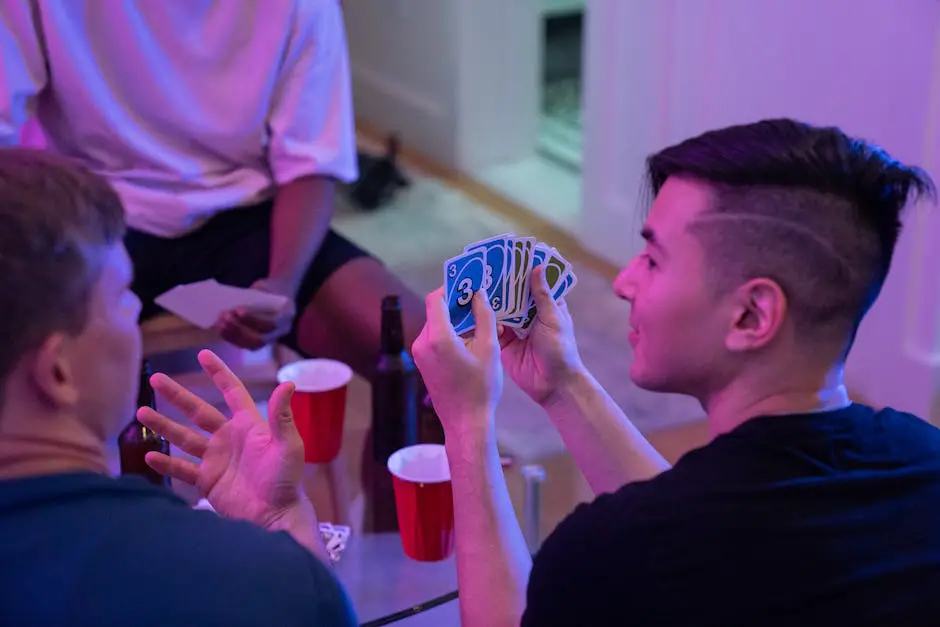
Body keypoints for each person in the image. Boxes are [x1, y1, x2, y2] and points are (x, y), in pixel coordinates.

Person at [413, 119, 940, 626]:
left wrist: (467, 422)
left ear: (752, 315)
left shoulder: (611, 556)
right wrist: (562, 386)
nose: (623, 282)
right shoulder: (926, 460)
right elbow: (701, 536)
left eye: (654, 259)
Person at [0, 149, 356, 626]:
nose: (135, 313)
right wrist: (286, 530)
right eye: (124, 296)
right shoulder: (268, 585)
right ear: (58, 371)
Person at [0, 0, 424, 380]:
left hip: (244, 213)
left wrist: (281, 284)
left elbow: (309, 165)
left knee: (424, 357)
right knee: (41, 366)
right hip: (95, 215)